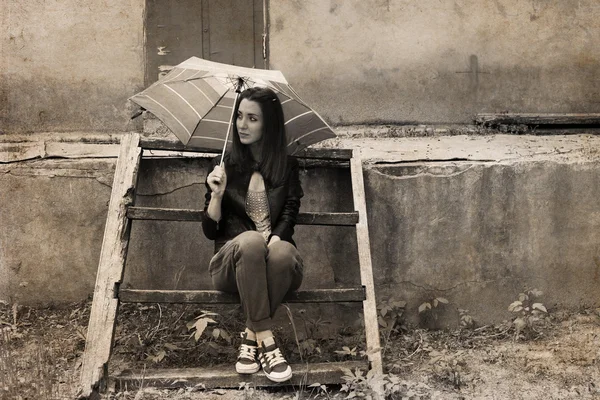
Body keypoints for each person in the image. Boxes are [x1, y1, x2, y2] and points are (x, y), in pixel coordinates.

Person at [201, 86, 304, 382]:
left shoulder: (286, 166)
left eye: (252, 119)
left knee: (283, 250)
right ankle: (268, 342)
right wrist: (217, 195)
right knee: (250, 241)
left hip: (278, 268)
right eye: (239, 116)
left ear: (268, 124)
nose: (242, 125)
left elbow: (289, 212)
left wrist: (276, 237)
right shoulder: (223, 165)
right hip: (231, 267)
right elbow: (210, 231)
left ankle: (251, 337)